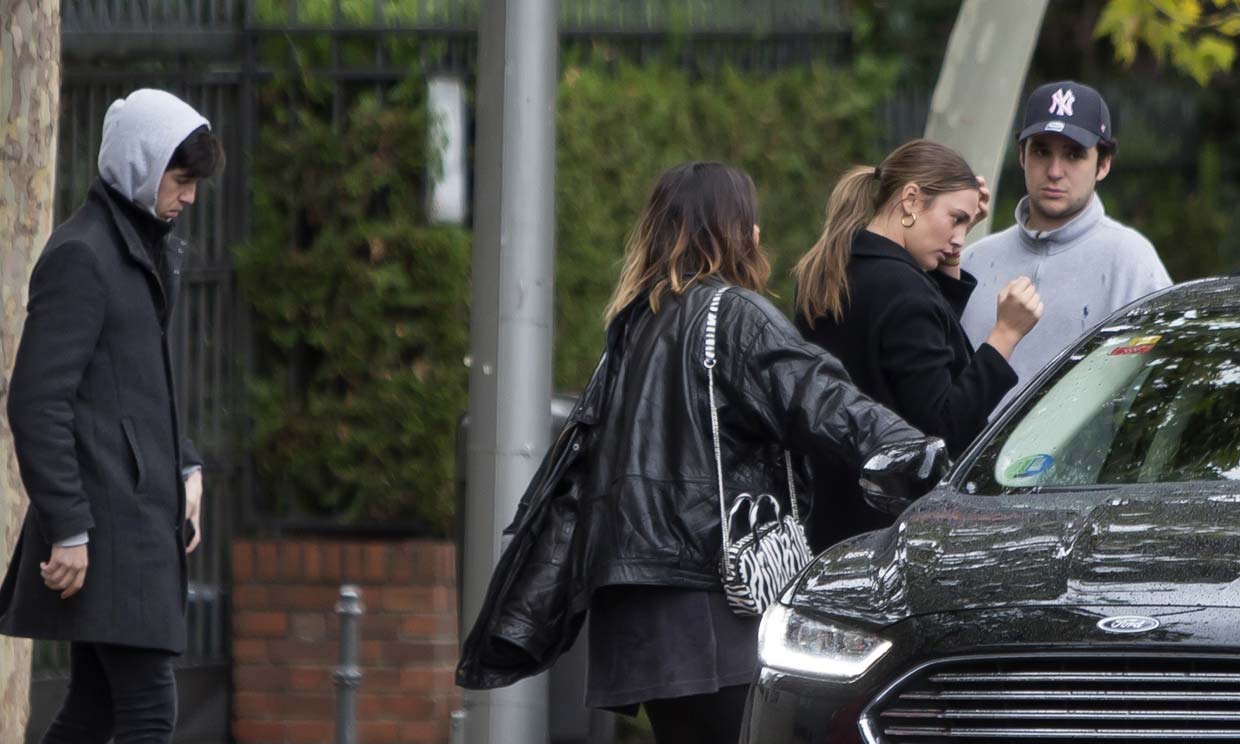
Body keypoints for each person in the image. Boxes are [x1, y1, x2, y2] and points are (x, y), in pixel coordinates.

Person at [456, 162, 947, 744]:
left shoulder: (631, 328)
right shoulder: (734, 314)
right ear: (736, 231)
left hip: (634, 611)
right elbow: (822, 397)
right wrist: (919, 456)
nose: (760, 234)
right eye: (752, 222)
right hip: (712, 603)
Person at [0, 89, 223, 744]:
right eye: (180, 181)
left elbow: (141, 389)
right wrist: (68, 525)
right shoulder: (84, 255)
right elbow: (35, 400)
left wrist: (186, 464)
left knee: (95, 709)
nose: (188, 197)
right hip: (106, 530)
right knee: (149, 711)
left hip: (132, 525)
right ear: (141, 166)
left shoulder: (142, 249)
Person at [793, 138, 1043, 549]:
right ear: (910, 200)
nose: (961, 237)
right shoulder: (903, 291)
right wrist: (1006, 335)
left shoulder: (836, 270)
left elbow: (912, 359)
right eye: (955, 219)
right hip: (893, 534)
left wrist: (947, 256)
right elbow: (942, 429)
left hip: (831, 520)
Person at [961, 81, 1172, 407]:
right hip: (971, 458)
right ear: (1021, 155)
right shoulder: (972, 261)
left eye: (1074, 154)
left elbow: (1162, 391)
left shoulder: (1131, 262)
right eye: (1042, 151)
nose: (1055, 171)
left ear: (1103, 164)